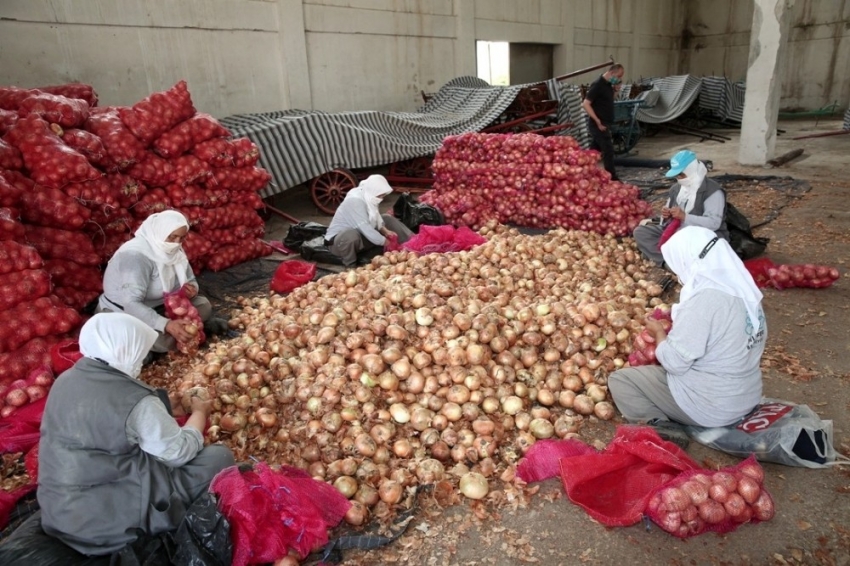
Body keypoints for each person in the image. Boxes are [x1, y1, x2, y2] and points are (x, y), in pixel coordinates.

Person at [37, 312, 235, 555]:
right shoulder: (139, 404)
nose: (141, 361)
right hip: (107, 528)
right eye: (139, 354)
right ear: (125, 352)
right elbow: (178, 452)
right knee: (218, 457)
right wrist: (200, 413)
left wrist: (166, 403)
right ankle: (154, 518)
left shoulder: (65, 380)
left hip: (60, 513)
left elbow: (110, 406)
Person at [608, 226, 767, 448]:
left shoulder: (704, 301)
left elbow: (674, 363)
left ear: (689, 259)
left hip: (713, 407)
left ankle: (662, 426)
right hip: (746, 397)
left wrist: (660, 333)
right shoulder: (745, 290)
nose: (677, 272)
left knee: (621, 380)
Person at [97, 210, 228, 354]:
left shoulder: (175, 250)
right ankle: (185, 332)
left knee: (203, 305)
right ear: (160, 232)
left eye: (181, 238)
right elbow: (131, 304)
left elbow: (190, 279)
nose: (176, 243)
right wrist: (166, 324)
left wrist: (192, 290)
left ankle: (185, 331)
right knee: (164, 342)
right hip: (125, 311)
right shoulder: (135, 256)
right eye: (172, 237)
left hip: (162, 305)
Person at [633, 149, 729, 266]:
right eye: (677, 175)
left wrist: (685, 217)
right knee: (641, 232)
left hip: (702, 236)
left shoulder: (712, 191)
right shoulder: (676, 188)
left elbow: (714, 223)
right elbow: (668, 219)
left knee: (699, 249)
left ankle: (677, 261)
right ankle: (666, 262)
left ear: (691, 170)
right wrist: (666, 215)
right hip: (678, 232)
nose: (679, 178)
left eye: (681, 174)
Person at [325, 174, 413, 266]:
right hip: (338, 244)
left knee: (386, 218)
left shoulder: (369, 195)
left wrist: (386, 231)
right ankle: (350, 265)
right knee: (350, 235)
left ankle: (412, 243)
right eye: (380, 196)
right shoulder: (355, 202)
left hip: (361, 235)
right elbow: (366, 229)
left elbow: (376, 217)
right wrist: (387, 242)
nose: (382, 199)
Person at [582, 63, 625, 181]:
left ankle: (584, 171)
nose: (619, 79)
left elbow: (608, 101)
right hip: (598, 124)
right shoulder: (597, 85)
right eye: (619, 76)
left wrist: (616, 90)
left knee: (593, 151)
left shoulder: (609, 85)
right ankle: (612, 178)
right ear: (612, 73)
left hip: (605, 122)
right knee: (608, 150)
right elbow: (585, 104)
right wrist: (597, 121)